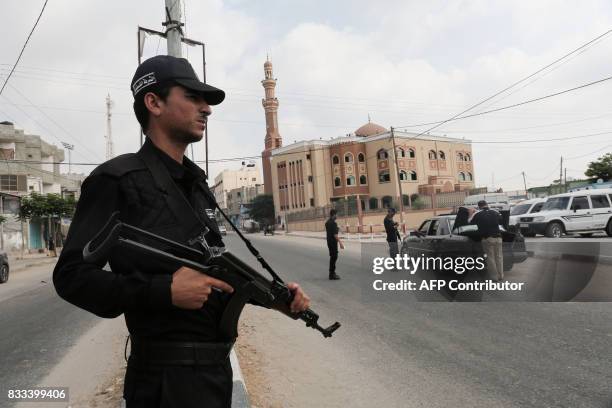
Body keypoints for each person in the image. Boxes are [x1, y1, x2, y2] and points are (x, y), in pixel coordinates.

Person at [52, 55, 310, 408]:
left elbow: (216, 273)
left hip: (213, 377)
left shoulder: (197, 184)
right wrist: (163, 291)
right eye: (192, 97)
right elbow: (71, 277)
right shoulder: (116, 180)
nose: (207, 109)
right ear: (153, 102)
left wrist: (276, 300)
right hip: (163, 383)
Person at [470, 200, 504, 281]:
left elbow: (470, 223)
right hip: (498, 238)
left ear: (479, 206)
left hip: (487, 239)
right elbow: (501, 221)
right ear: (487, 204)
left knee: (490, 258)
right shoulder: (495, 212)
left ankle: (494, 277)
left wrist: (472, 214)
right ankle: (501, 276)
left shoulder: (477, 214)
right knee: (499, 257)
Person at [325, 209, 344, 280]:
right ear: (334, 215)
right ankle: (332, 274)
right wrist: (341, 243)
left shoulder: (327, 222)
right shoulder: (333, 223)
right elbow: (335, 235)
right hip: (333, 242)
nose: (337, 216)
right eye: (337, 214)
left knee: (333, 257)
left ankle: (332, 273)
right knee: (334, 257)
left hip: (329, 242)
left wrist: (338, 228)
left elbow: (331, 230)